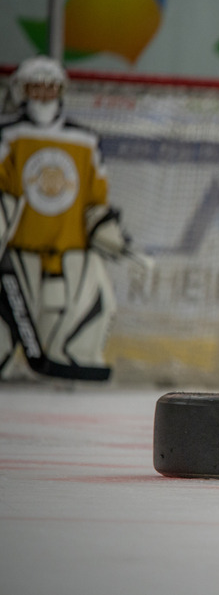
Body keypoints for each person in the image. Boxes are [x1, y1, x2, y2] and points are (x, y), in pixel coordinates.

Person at [0, 55, 131, 382]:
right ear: (21, 90)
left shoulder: (85, 139)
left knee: (73, 313)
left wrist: (106, 228)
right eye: (36, 87)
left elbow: (95, 199)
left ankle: (65, 363)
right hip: (17, 249)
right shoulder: (8, 136)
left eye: (49, 87)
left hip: (69, 249)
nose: (43, 94)